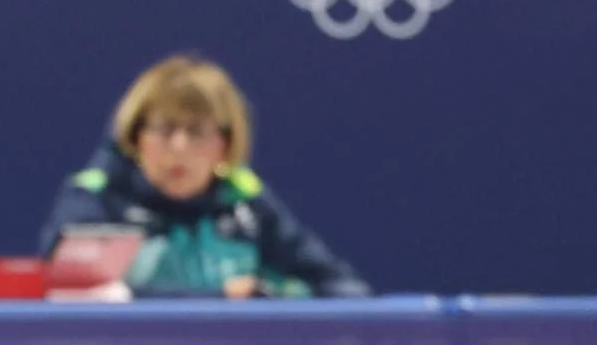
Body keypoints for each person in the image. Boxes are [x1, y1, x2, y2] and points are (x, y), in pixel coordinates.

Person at [40, 55, 368, 299]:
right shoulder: (97, 199)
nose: (179, 147)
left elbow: (339, 287)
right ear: (136, 137)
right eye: (164, 130)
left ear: (224, 144)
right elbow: (74, 298)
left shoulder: (245, 205)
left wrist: (276, 297)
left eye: (197, 132)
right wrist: (219, 299)